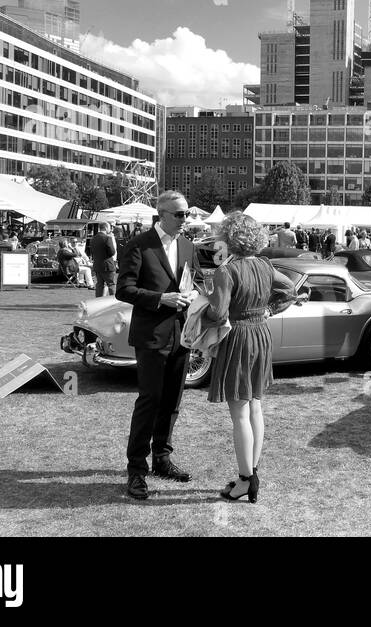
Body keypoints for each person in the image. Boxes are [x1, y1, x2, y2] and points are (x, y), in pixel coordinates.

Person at [200, 212, 294, 503]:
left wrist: (200, 306)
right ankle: (251, 472)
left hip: (239, 337)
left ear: (229, 238)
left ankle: (245, 480)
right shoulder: (265, 266)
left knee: (240, 411)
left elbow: (217, 314)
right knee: (254, 406)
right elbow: (290, 290)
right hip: (260, 334)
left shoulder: (227, 271)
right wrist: (269, 310)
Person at [116, 191, 202, 500]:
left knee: (172, 401)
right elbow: (123, 290)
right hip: (151, 335)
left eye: (187, 214)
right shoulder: (138, 245)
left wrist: (194, 295)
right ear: (161, 214)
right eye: (180, 214)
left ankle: (162, 459)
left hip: (181, 334)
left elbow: (196, 280)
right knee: (150, 401)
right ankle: (136, 470)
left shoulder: (188, 246)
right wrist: (159, 299)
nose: (185, 220)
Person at [89, 222, 118, 298]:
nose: (110, 229)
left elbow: (92, 251)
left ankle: (98, 301)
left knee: (99, 284)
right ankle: (113, 300)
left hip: (97, 265)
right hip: (107, 265)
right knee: (111, 284)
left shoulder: (93, 239)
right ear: (105, 228)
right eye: (109, 228)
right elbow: (112, 252)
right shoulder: (107, 238)